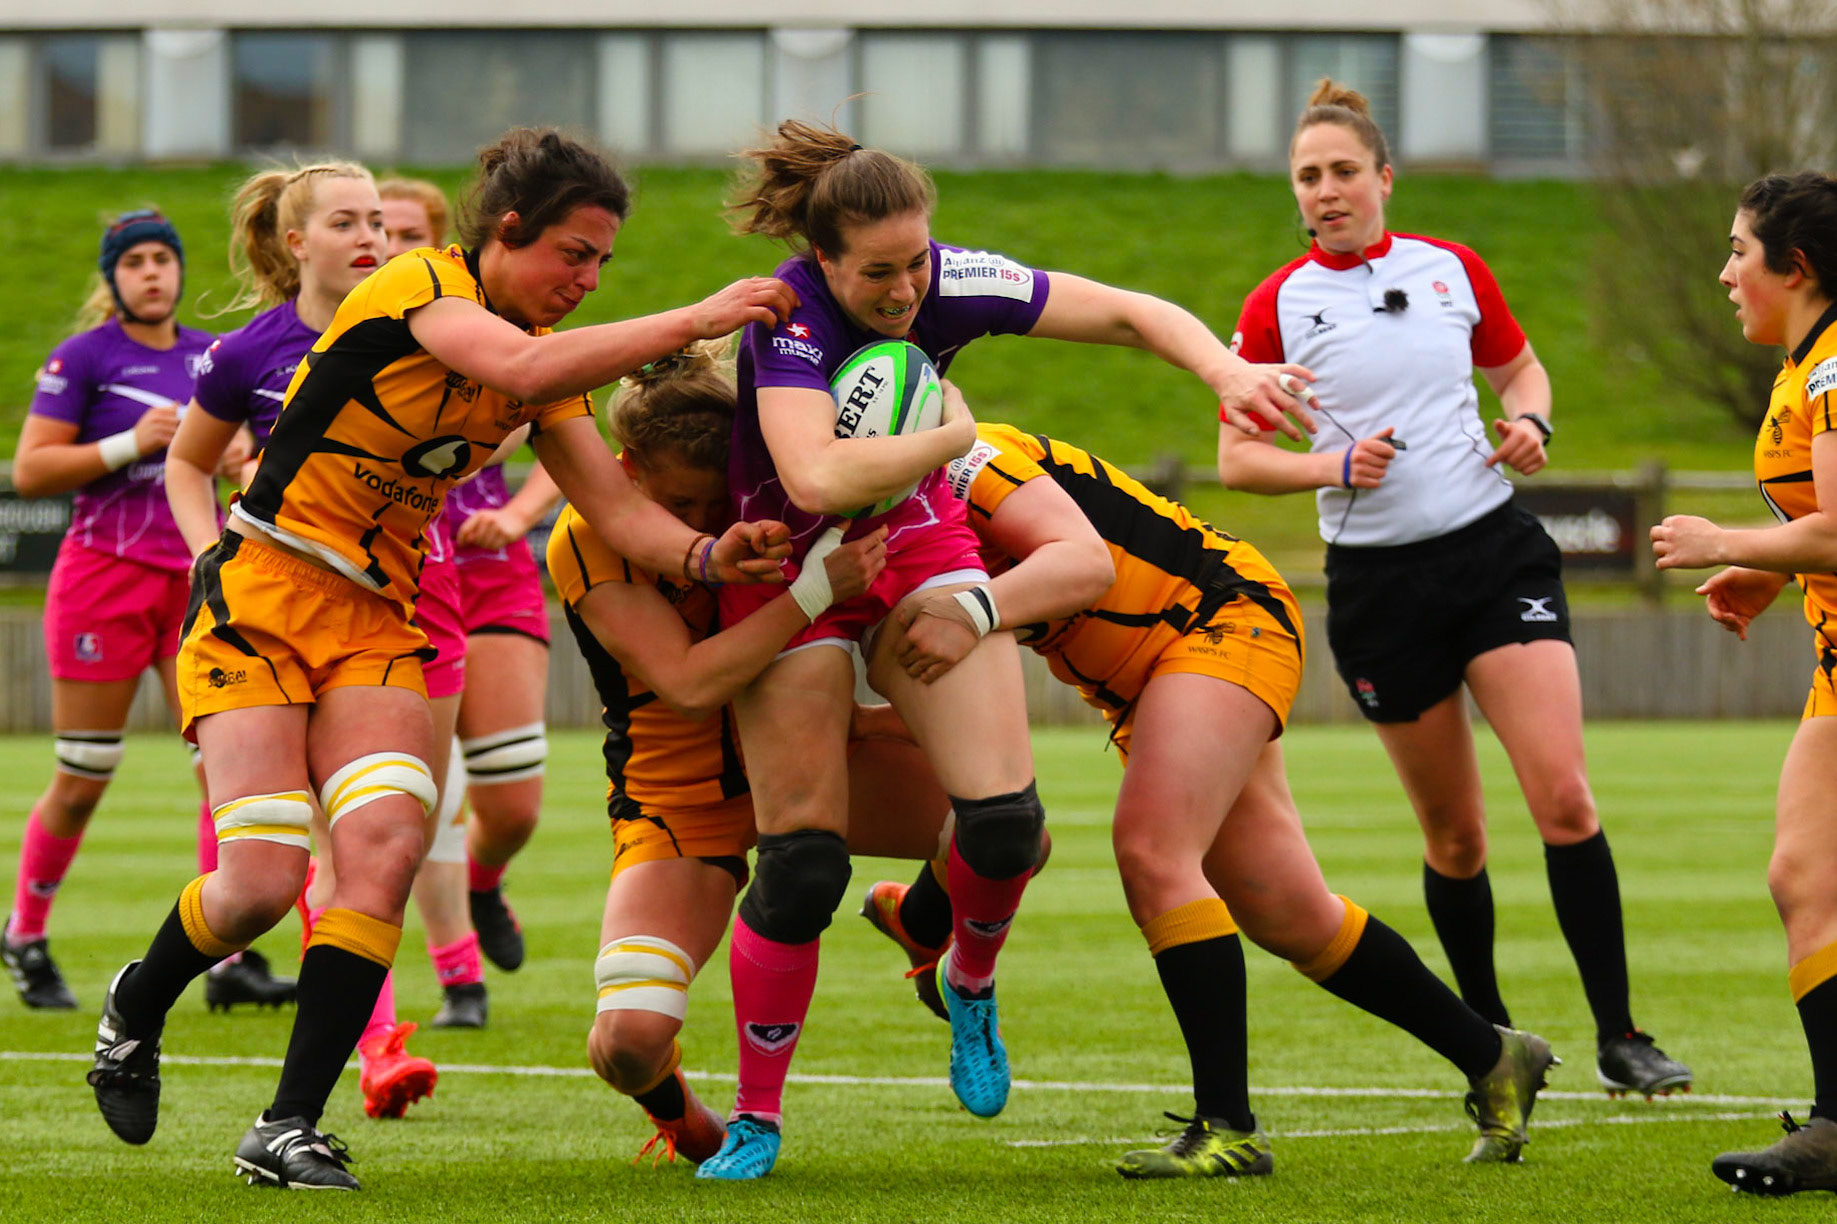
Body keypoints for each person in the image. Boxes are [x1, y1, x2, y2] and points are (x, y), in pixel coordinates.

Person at [86, 127, 797, 1192]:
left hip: (378, 618)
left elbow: (614, 510)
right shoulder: (420, 284)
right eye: (573, 253)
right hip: (264, 593)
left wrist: (706, 553)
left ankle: (287, 1125)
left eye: (602, 261)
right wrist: (697, 318)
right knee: (258, 887)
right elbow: (521, 365)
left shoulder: (544, 365)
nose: (587, 279)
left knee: (381, 849)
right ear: (508, 230)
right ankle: (135, 1004)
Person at [705, 118, 1316, 1179]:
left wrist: (1223, 371)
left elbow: (1126, 312)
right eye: (878, 274)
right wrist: (952, 435)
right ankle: (757, 1116)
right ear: (823, 262)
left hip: (915, 538)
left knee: (1003, 827)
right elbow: (814, 479)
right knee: (802, 867)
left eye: (916, 262)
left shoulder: (945, 279)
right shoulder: (787, 317)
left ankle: (969, 984)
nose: (906, 290)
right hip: (790, 564)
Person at [876, 420, 1558, 1174]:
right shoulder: (876, 510)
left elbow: (1085, 564)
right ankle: (1493, 1056)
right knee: (1287, 911)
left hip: (1219, 616)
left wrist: (966, 613)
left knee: (1152, 852)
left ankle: (1227, 1126)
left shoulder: (967, 458)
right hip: (1150, 675)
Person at [1218, 79, 1689, 1099]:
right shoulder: (1274, 306)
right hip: (1379, 589)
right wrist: (1331, 467)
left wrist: (1532, 425)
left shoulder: (1451, 269)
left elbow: (1522, 375)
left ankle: (1622, 1036)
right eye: (1308, 176)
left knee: (1563, 796)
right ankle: (1494, 1044)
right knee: (1456, 836)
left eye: (1344, 171)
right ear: (1295, 194)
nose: (1327, 190)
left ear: (1384, 178)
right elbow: (1236, 460)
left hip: (1493, 557)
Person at [550, 343, 985, 1171]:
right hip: (685, 799)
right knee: (630, 1042)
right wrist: (815, 591)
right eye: (682, 502)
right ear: (627, 469)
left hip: (819, 753)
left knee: (1002, 833)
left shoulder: (780, 490)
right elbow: (689, 684)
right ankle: (686, 1122)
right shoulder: (587, 537)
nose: (706, 520)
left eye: (717, 499)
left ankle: (920, 922)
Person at [166, 162, 455, 1119]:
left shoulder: (433, 327)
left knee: (399, 831)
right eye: (348, 222)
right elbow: (188, 464)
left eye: (381, 222)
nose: (373, 238)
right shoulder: (250, 352)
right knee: (329, 844)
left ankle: (454, 941)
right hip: (278, 613)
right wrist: (209, 553)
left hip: (409, 602)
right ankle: (373, 1047)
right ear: (295, 243)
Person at [1649, 171, 1837, 1195]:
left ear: (1792, 267)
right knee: (1802, 881)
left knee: (1807, 879)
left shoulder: (1833, 365)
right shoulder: (1802, 363)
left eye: (1737, 252)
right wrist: (1767, 571)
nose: (1724, 273)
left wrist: (1728, 539)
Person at [3, 210, 216, 1011]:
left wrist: (234, 452)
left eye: (164, 258)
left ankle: (226, 959)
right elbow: (31, 471)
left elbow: (238, 455)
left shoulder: (212, 356)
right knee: (85, 772)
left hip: (194, 581)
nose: (152, 272)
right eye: (135, 262)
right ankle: (25, 934)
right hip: (104, 581)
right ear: (114, 277)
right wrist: (133, 441)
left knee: (225, 769)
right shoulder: (84, 357)